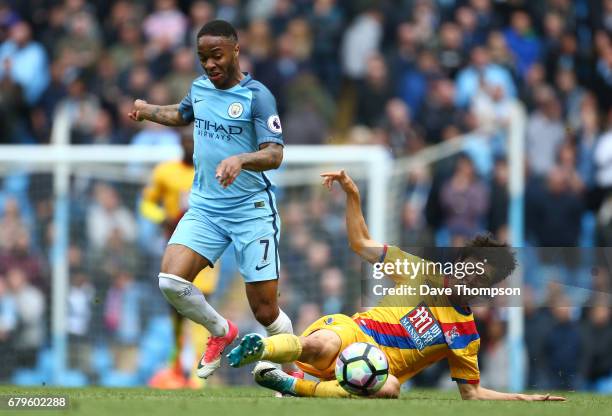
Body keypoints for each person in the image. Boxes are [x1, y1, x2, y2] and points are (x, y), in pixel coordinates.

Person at [227, 170, 566, 401]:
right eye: (471, 267)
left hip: (377, 372)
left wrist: (522, 397)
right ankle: (260, 349)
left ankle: (291, 385)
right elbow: (361, 243)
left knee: (390, 389)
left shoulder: (466, 335)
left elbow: (472, 394)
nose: (473, 278)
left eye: (483, 277)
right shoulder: (422, 271)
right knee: (324, 343)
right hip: (355, 334)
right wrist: (353, 194)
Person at [128, 20, 293, 379]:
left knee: (265, 311)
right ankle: (221, 331)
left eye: (216, 56)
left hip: (250, 210)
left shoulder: (257, 96)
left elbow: (275, 154)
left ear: (236, 49)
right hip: (206, 208)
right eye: (203, 58)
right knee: (170, 281)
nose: (210, 65)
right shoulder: (200, 89)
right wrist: (147, 109)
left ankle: (290, 373)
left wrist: (240, 159)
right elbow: (182, 114)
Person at [141, 130, 220, 388]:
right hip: (175, 248)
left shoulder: (212, 172)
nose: (190, 146)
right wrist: (161, 217)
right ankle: (176, 368)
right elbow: (147, 204)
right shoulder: (166, 172)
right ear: (180, 144)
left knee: (200, 309)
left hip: (204, 251)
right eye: (186, 142)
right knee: (175, 311)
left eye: (194, 142)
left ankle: (199, 374)